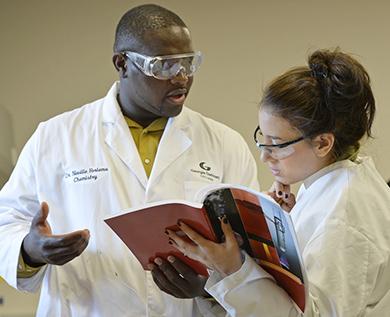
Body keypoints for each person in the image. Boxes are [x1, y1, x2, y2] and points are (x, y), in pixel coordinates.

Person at [0, 4, 259, 316]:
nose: (181, 78)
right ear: (122, 64)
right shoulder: (56, 137)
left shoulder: (225, 144)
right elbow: (6, 221)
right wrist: (31, 250)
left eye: (188, 63)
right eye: (163, 66)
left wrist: (209, 289)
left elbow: (250, 250)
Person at [165, 49, 390, 316]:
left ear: (322, 143)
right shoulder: (330, 184)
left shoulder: (344, 214)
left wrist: (234, 269)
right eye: (262, 137)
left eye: (277, 144)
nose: (264, 156)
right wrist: (284, 226)